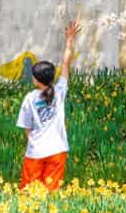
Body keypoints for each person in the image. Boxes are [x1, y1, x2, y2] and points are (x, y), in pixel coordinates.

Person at [17, 20, 80, 191]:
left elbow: (26, 127)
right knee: (51, 193)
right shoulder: (60, 91)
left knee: (30, 194)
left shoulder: (30, 98)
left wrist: (33, 141)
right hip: (58, 150)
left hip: (36, 151)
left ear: (36, 79)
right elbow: (66, 64)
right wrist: (69, 40)